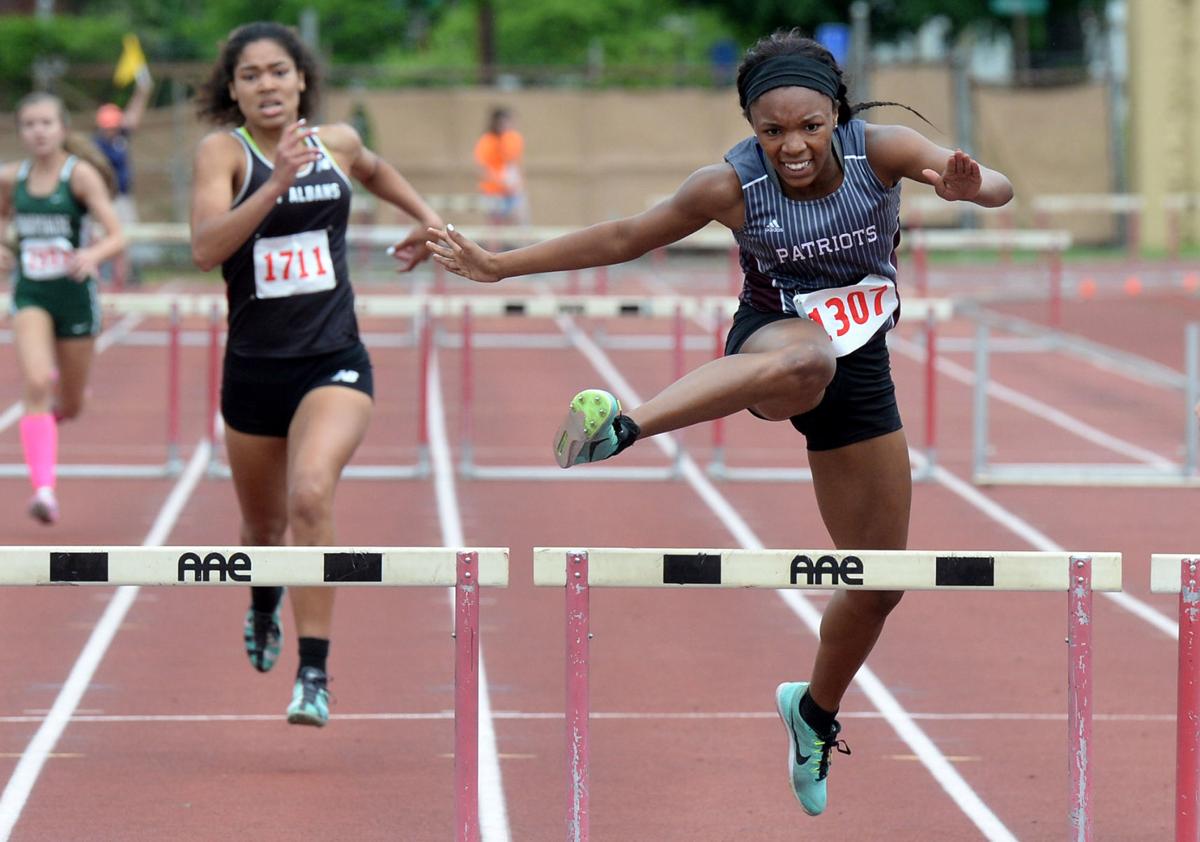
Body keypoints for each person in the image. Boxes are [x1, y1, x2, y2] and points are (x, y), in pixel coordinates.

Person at [428, 28, 1013, 815]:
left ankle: (813, 712)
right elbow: (626, 237)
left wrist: (970, 187)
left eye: (808, 126)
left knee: (877, 584)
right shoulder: (730, 186)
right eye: (771, 131)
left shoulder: (883, 151)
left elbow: (997, 188)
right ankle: (622, 426)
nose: (792, 146)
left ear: (836, 115)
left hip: (862, 368)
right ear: (751, 127)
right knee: (810, 361)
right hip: (771, 347)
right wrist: (501, 263)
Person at [190, 21, 443, 727]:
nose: (266, 85)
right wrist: (275, 182)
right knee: (261, 527)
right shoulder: (224, 153)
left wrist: (427, 219)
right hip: (252, 372)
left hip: (333, 361)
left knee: (310, 495)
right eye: (250, 75)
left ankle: (314, 672)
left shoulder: (335, 142)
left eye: (278, 72)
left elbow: (375, 170)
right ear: (233, 90)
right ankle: (264, 600)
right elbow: (207, 248)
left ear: (301, 80)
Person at [0, 93, 126, 525]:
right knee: (35, 382)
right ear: (20, 132)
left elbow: (116, 234)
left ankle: (48, 423)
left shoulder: (80, 176)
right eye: (29, 124)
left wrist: (93, 256)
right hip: (32, 294)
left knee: (70, 405)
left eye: (46, 123)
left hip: (74, 296)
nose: (38, 131)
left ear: (62, 129)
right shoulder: (11, 179)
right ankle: (44, 489)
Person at [93, 66, 153, 287]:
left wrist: (143, 88)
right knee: (104, 237)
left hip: (123, 197)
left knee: (126, 236)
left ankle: (124, 277)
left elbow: (134, 115)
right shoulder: (98, 145)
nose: (113, 129)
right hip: (105, 199)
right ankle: (104, 276)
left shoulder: (121, 137)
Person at [473, 106, 528, 225]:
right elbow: (483, 169)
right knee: (495, 226)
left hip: (513, 190)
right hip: (493, 191)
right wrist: (501, 182)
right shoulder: (487, 141)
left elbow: (514, 164)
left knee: (521, 224)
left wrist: (516, 184)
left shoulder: (514, 138)